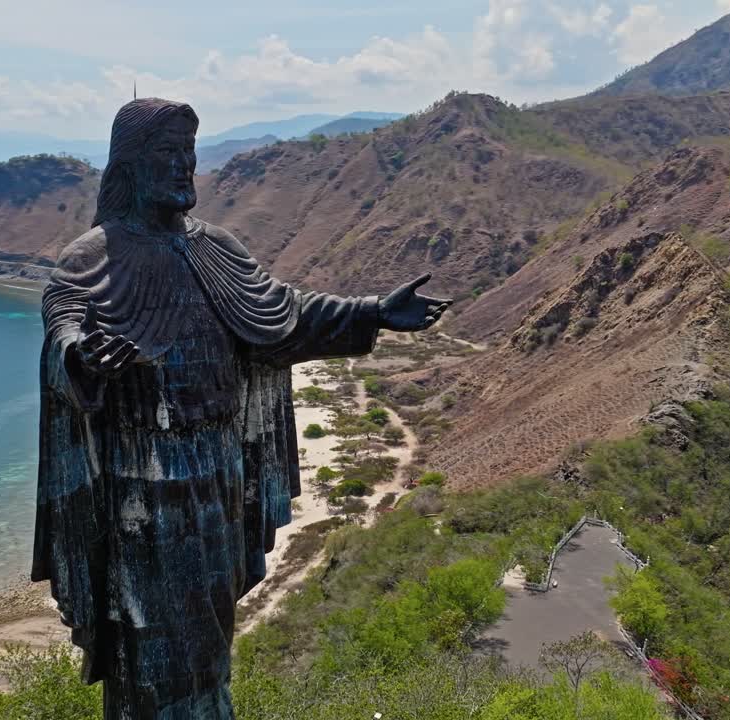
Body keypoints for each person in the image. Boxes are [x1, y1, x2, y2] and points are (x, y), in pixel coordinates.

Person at [32, 97, 449, 719]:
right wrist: (81, 357)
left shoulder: (218, 248)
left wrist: (372, 311)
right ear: (131, 166)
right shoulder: (93, 256)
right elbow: (64, 319)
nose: (184, 168)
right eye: (167, 154)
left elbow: (284, 317)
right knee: (152, 645)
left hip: (221, 479)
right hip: (146, 491)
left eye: (189, 154)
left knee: (210, 637)